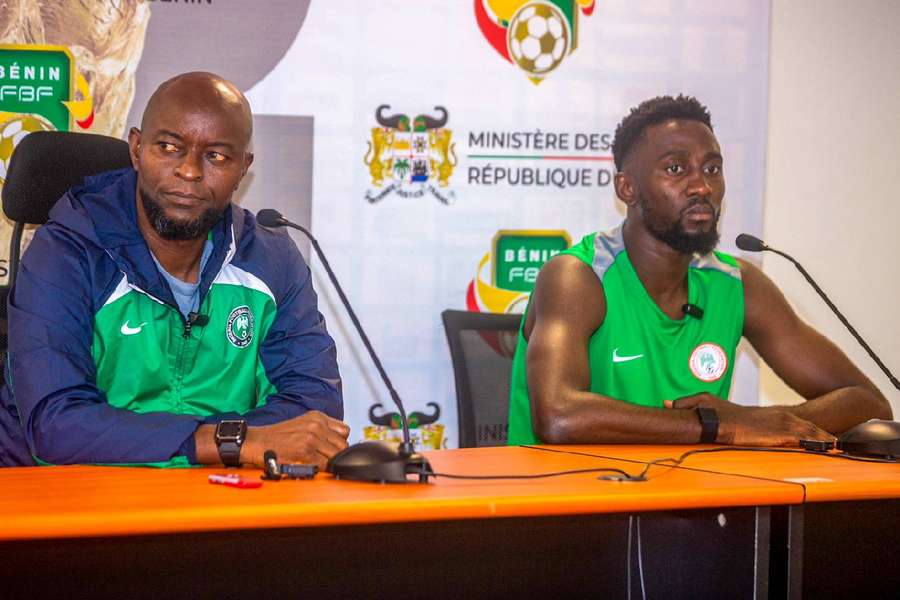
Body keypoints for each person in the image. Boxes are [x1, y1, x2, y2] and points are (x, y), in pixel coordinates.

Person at [0, 72, 350, 468]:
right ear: (137, 149)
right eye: (168, 147)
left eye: (216, 155)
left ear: (243, 168)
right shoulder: (67, 254)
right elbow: (56, 426)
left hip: (213, 498)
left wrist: (205, 445)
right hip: (63, 500)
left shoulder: (272, 260)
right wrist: (226, 442)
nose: (189, 172)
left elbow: (312, 410)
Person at [508, 95, 892, 446]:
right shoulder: (578, 277)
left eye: (712, 168)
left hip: (683, 502)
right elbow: (558, 416)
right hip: (566, 509)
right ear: (627, 189)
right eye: (676, 169)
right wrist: (717, 426)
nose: (702, 186)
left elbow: (869, 404)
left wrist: (764, 420)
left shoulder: (736, 284)